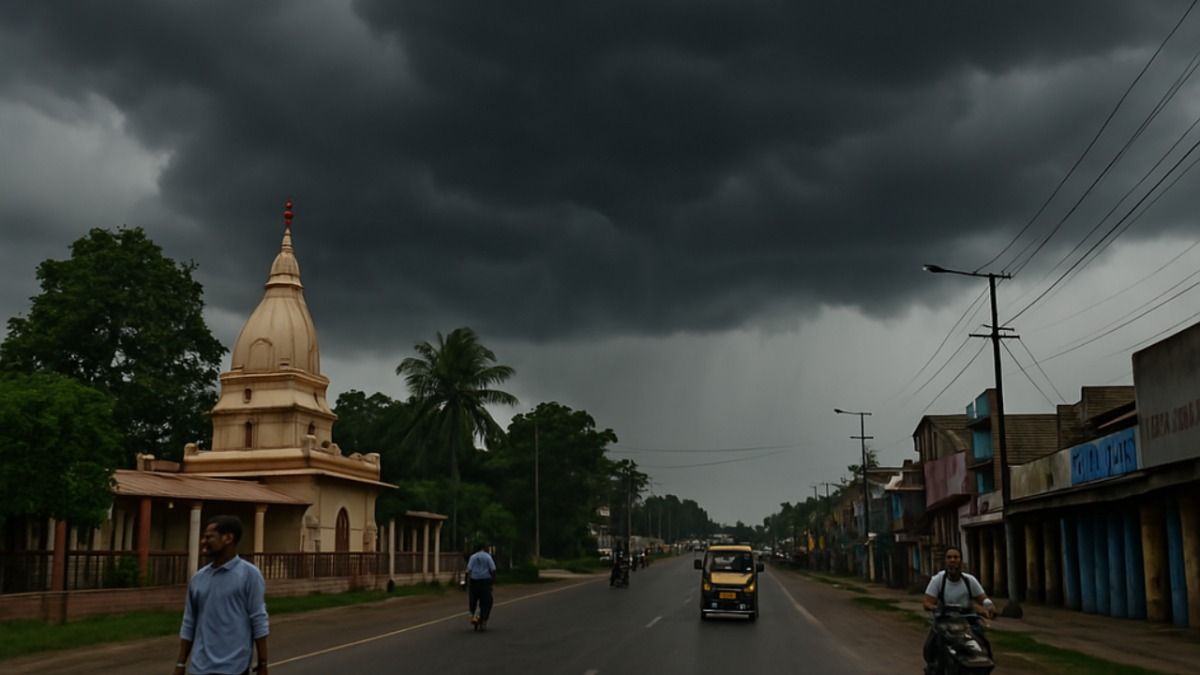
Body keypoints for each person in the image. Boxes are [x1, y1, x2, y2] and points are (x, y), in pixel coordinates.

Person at [174, 515, 269, 675]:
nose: (203, 542)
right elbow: (189, 622)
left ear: (228, 538)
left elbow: (258, 619)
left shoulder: (249, 575)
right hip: (200, 669)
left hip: (234, 668)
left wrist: (263, 663)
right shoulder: (198, 578)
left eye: (209, 537)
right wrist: (181, 663)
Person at [921, 546, 994, 668]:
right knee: (931, 647)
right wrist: (935, 608)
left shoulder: (969, 580)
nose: (953, 560)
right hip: (945, 620)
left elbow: (983, 598)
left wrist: (989, 606)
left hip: (968, 620)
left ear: (961, 560)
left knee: (983, 642)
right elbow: (927, 602)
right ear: (945, 561)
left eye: (956, 557)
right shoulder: (938, 580)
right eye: (949, 557)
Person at [466, 542, 497, 630]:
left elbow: (468, 570)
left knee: (473, 600)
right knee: (487, 601)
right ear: (484, 548)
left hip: (474, 581)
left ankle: (473, 614)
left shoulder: (473, 557)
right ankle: (483, 619)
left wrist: (466, 582)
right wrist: (493, 581)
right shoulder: (487, 556)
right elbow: (493, 569)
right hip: (485, 582)